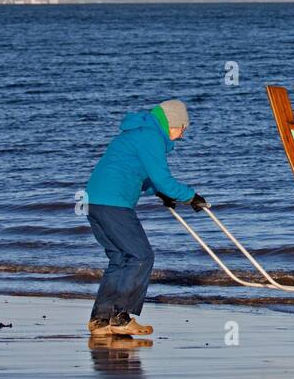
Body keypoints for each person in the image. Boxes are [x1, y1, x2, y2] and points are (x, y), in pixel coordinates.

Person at [84, 98, 207, 337]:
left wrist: (162, 194)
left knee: (119, 258)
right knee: (142, 256)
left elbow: (140, 175)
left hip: (95, 201)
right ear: (172, 123)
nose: (182, 135)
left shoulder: (140, 134)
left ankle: (101, 320)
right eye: (183, 128)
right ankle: (121, 317)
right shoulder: (151, 137)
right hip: (113, 203)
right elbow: (163, 179)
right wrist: (190, 196)